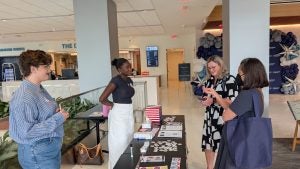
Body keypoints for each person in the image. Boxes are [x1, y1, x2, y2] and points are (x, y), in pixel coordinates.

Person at [9, 50, 69, 169]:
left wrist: (55, 114)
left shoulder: (37, 89)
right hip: (38, 153)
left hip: (46, 150)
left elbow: (41, 115)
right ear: (33, 69)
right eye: (45, 66)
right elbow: (27, 132)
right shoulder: (24, 96)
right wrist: (58, 118)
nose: (49, 69)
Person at [214, 58, 269, 169]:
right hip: (248, 141)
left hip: (237, 141)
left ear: (249, 75)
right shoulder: (258, 92)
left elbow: (226, 116)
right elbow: (239, 110)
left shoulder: (246, 94)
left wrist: (230, 106)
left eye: (241, 74)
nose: (239, 77)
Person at [200, 56, 240, 169]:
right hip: (209, 117)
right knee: (208, 144)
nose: (211, 70)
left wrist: (215, 96)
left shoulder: (230, 80)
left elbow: (230, 105)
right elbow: (208, 98)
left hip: (223, 119)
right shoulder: (209, 81)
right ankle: (209, 167)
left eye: (213, 67)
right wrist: (205, 101)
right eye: (209, 68)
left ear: (221, 65)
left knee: (225, 147)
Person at [99, 58, 135, 169]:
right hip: (119, 114)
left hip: (128, 112)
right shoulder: (115, 81)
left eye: (130, 66)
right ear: (119, 69)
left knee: (129, 138)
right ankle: (116, 166)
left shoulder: (129, 80)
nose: (130, 69)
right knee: (120, 141)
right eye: (127, 67)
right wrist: (113, 105)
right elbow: (102, 98)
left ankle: (127, 164)